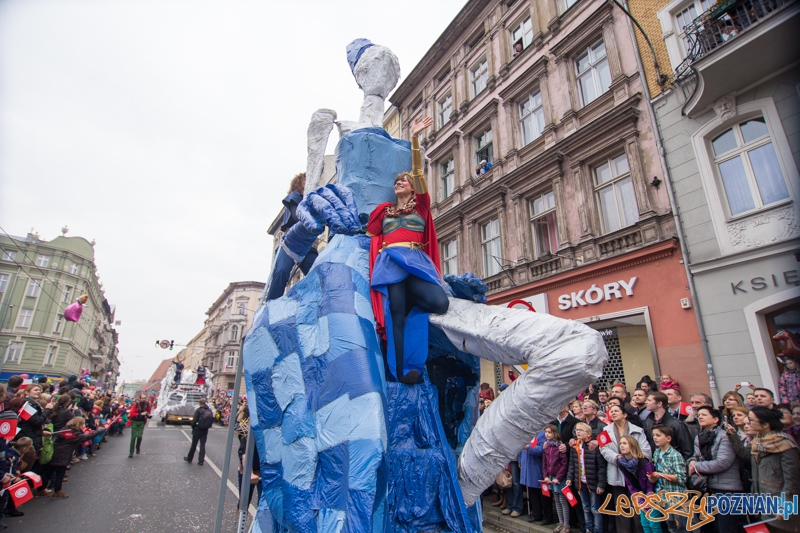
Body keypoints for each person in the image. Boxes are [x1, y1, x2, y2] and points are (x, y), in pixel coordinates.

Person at [367, 116, 449, 385]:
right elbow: (370, 234)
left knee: (440, 303)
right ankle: (400, 372)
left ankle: (412, 306)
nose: (399, 182)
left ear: (413, 188)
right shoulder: (385, 212)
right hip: (391, 262)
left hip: (415, 261)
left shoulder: (421, 206)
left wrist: (414, 138)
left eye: (405, 181)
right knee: (396, 317)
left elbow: (418, 172)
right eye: (397, 181)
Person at [729, 407, 800, 531]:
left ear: (766, 424)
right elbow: (745, 455)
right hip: (762, 504)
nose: (748, 423)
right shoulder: (758, 442)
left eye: (751, 420)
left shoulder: (785, 445)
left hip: (779, 507)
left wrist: (785, 505)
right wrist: (732, 435)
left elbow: (792, 481)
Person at [688, 406, 746, 533]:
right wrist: (691, 461)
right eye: (699, 415)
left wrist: (696, 466)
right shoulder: (699, 437)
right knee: (711, 528)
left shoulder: (725, 436)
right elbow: (695, 456)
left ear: (715, 419)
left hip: (727, 489)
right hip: (707, 488)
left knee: (727, 528)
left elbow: (722, 463)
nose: (700, 417)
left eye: (704, 414)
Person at [265, 172, 320, 301]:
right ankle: (271, 303)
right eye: (305, 180)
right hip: (291, 242)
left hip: (307, 244)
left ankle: (316, 301)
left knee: (316, 272)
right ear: (299, 183)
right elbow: (297, 216)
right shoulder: (295, 196)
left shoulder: (314, 200)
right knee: (282, 270)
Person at [599, 404, 651, 533]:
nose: (613, 413)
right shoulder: (605, 431)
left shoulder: (638, 430)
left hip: (636, 474)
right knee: (622, 508)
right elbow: (603, 449)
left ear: (625, 414)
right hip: (617, 473)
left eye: (616, 411)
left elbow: (646, 451)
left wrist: (631, 458)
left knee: (638, 507)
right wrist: (617, 458)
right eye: (611, 411)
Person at [646, 425, 688, 533]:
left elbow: (681, 478)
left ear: (668, 438)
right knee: (671, 528)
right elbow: (657, 476)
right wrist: (653, 478)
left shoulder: (675, 455)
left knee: (681, 528)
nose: (655, 438)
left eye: (658, 435)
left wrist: (661, 475)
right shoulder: (656, 453)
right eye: (654, 435)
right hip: (662, 497)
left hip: (676, 497)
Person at [566, 422, 606, 533]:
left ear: (588, 434)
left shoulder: (594, 447)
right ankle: (589, 529)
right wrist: (569, 477)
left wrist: (601, 484)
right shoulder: (575, 446)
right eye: (577, 430)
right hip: (580, 482)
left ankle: (598, 530)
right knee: (585, 507)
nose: (578, 432)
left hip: (592, 482)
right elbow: (572, 464)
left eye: (581, 430)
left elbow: (601, 468)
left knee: (595, 509)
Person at [616, 436, 656, 533]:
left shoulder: (644, 462)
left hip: (652, 494)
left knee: (654, 523)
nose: (621, 446)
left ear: (632, 446)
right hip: (639, 494)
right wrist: (640, 501)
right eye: (620, 443)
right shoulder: (621, 463)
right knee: (644, 523)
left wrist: (648, 502)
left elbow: (650, 484)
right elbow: (630, 484)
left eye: (625, 443)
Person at [642, 391, 694, 459]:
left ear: (659, 404)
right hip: (655, 461)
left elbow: (687, 449)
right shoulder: (648, 422)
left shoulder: (676, 424)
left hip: (674, 462)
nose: (646, 402)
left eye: (649, 400)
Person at [520, 429, 553, 525]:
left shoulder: (542, 433)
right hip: (528, 466)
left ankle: (547, 516)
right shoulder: (528, 431)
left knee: (544, 493)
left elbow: (543, 449)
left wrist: (529, 447)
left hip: (538, 467)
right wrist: (520, 460)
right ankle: (536, 514)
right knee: (532, 492)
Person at [542, 424, 569, 533]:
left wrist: (558, 477)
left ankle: (566, 524)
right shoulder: (547, 446)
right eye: (546, 432)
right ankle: (561, 522)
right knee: (556, 500)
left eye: (549, 432)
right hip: (551, 477)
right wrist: (545, 476)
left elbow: (564, 464)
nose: (547, 434)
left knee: (563, 500)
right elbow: (544, 462)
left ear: (554, 433)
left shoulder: (559, 446)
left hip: (559, 478)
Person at [184, 398, 213, 465]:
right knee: (202, 445)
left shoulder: (198, 410)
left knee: (194, 445)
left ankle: (189, 458)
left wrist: (193, 427)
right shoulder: (209, 410)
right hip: (205, 430)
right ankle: (201, 460)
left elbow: (194, 421)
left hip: (197, 429)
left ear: (200, 403)